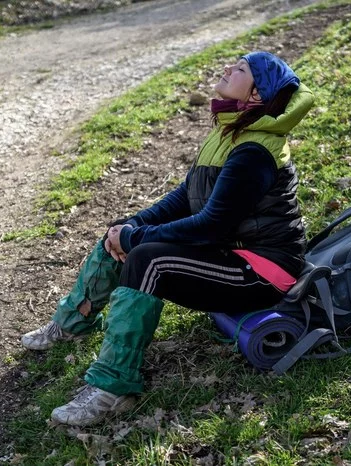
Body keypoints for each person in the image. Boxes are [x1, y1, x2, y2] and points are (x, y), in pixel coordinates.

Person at [21, 51, 314, 426]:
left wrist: (135, 238)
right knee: (122, 230)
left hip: (262, 271)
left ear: (256, 95)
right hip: (230, 252)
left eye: (240, 69)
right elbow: (186, 195)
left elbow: (211, 225)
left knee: (147, 259)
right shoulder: (233, 130)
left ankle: (113, 387)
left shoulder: (255, 150)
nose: (227, 68)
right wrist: (129, 227)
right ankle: (71, 322)